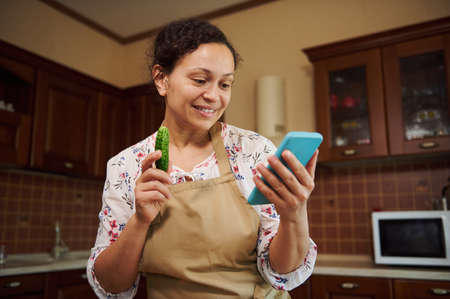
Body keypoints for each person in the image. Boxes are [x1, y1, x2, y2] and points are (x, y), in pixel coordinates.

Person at [87, 18, 318, 299]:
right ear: (161, 79)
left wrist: (294, 216)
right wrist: (139, 221)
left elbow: (283, 272)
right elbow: (112, 286)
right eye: (200, 80)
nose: (213, 96)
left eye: (225, 84)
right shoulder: (126, 166)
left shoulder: (253, 151)